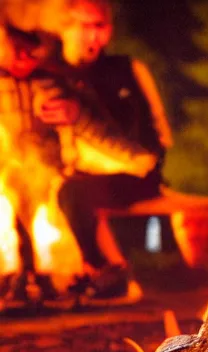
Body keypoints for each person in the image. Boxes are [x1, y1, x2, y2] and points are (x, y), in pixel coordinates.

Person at [0, 22, 156, 303]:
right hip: (11, 176)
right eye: (16, 50)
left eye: (29, 51)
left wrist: (135, 158)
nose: (24, 58)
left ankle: (63, 278)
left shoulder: (52, 84)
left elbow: (95, 131)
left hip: (48, 177)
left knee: (56, 196)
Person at [55, 0, 174, 301]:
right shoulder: (57, 76)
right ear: (65, 28)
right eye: (85, 26)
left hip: (135, 173)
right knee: (63, 189)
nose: (94, 36)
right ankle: (85, 274)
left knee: (73, 193)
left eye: (100, 26)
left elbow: (159, 131)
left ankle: (105, 271)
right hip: (81, 176)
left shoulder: (127, 70)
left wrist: (150, 159)